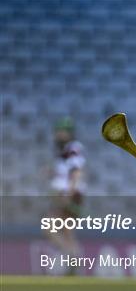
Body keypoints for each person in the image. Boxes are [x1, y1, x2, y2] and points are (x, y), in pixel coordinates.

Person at [46, 117, 85, 275]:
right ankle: (74, 262)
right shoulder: (65, 150)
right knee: (68, 232)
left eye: (62, 131)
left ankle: (71, 258)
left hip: (69, 194)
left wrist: (69, 193)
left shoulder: (72, 147)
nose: (58, 134)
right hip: (71, 193)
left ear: (69, 133)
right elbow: (67, 170)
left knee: (49, 226)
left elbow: (76, 171)